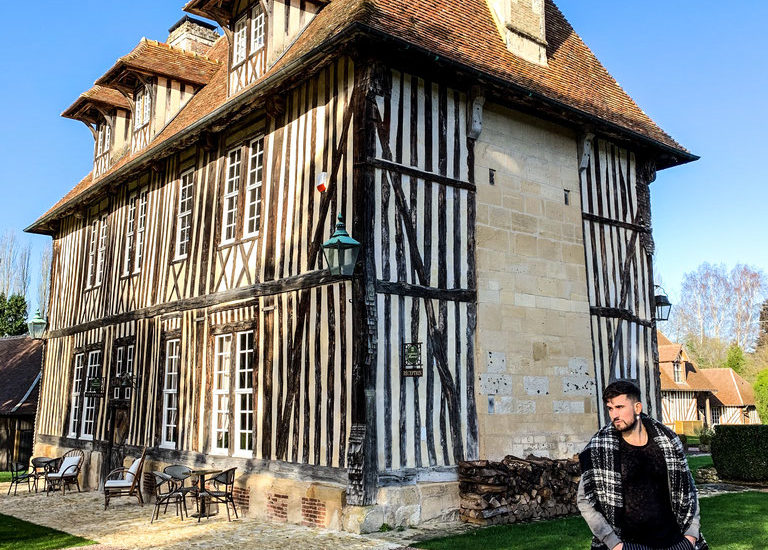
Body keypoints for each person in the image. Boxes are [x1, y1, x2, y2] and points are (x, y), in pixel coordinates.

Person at [577, 380, 708, 550]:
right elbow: (584, 499)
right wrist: (614, 544)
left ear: (637, 408)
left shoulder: (667, 441)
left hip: (674, 542)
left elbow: (688, 488)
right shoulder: (598, 449)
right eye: (610, 408)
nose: (614, 415)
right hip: (627, 545)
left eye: (620, 407)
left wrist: (690, 535)